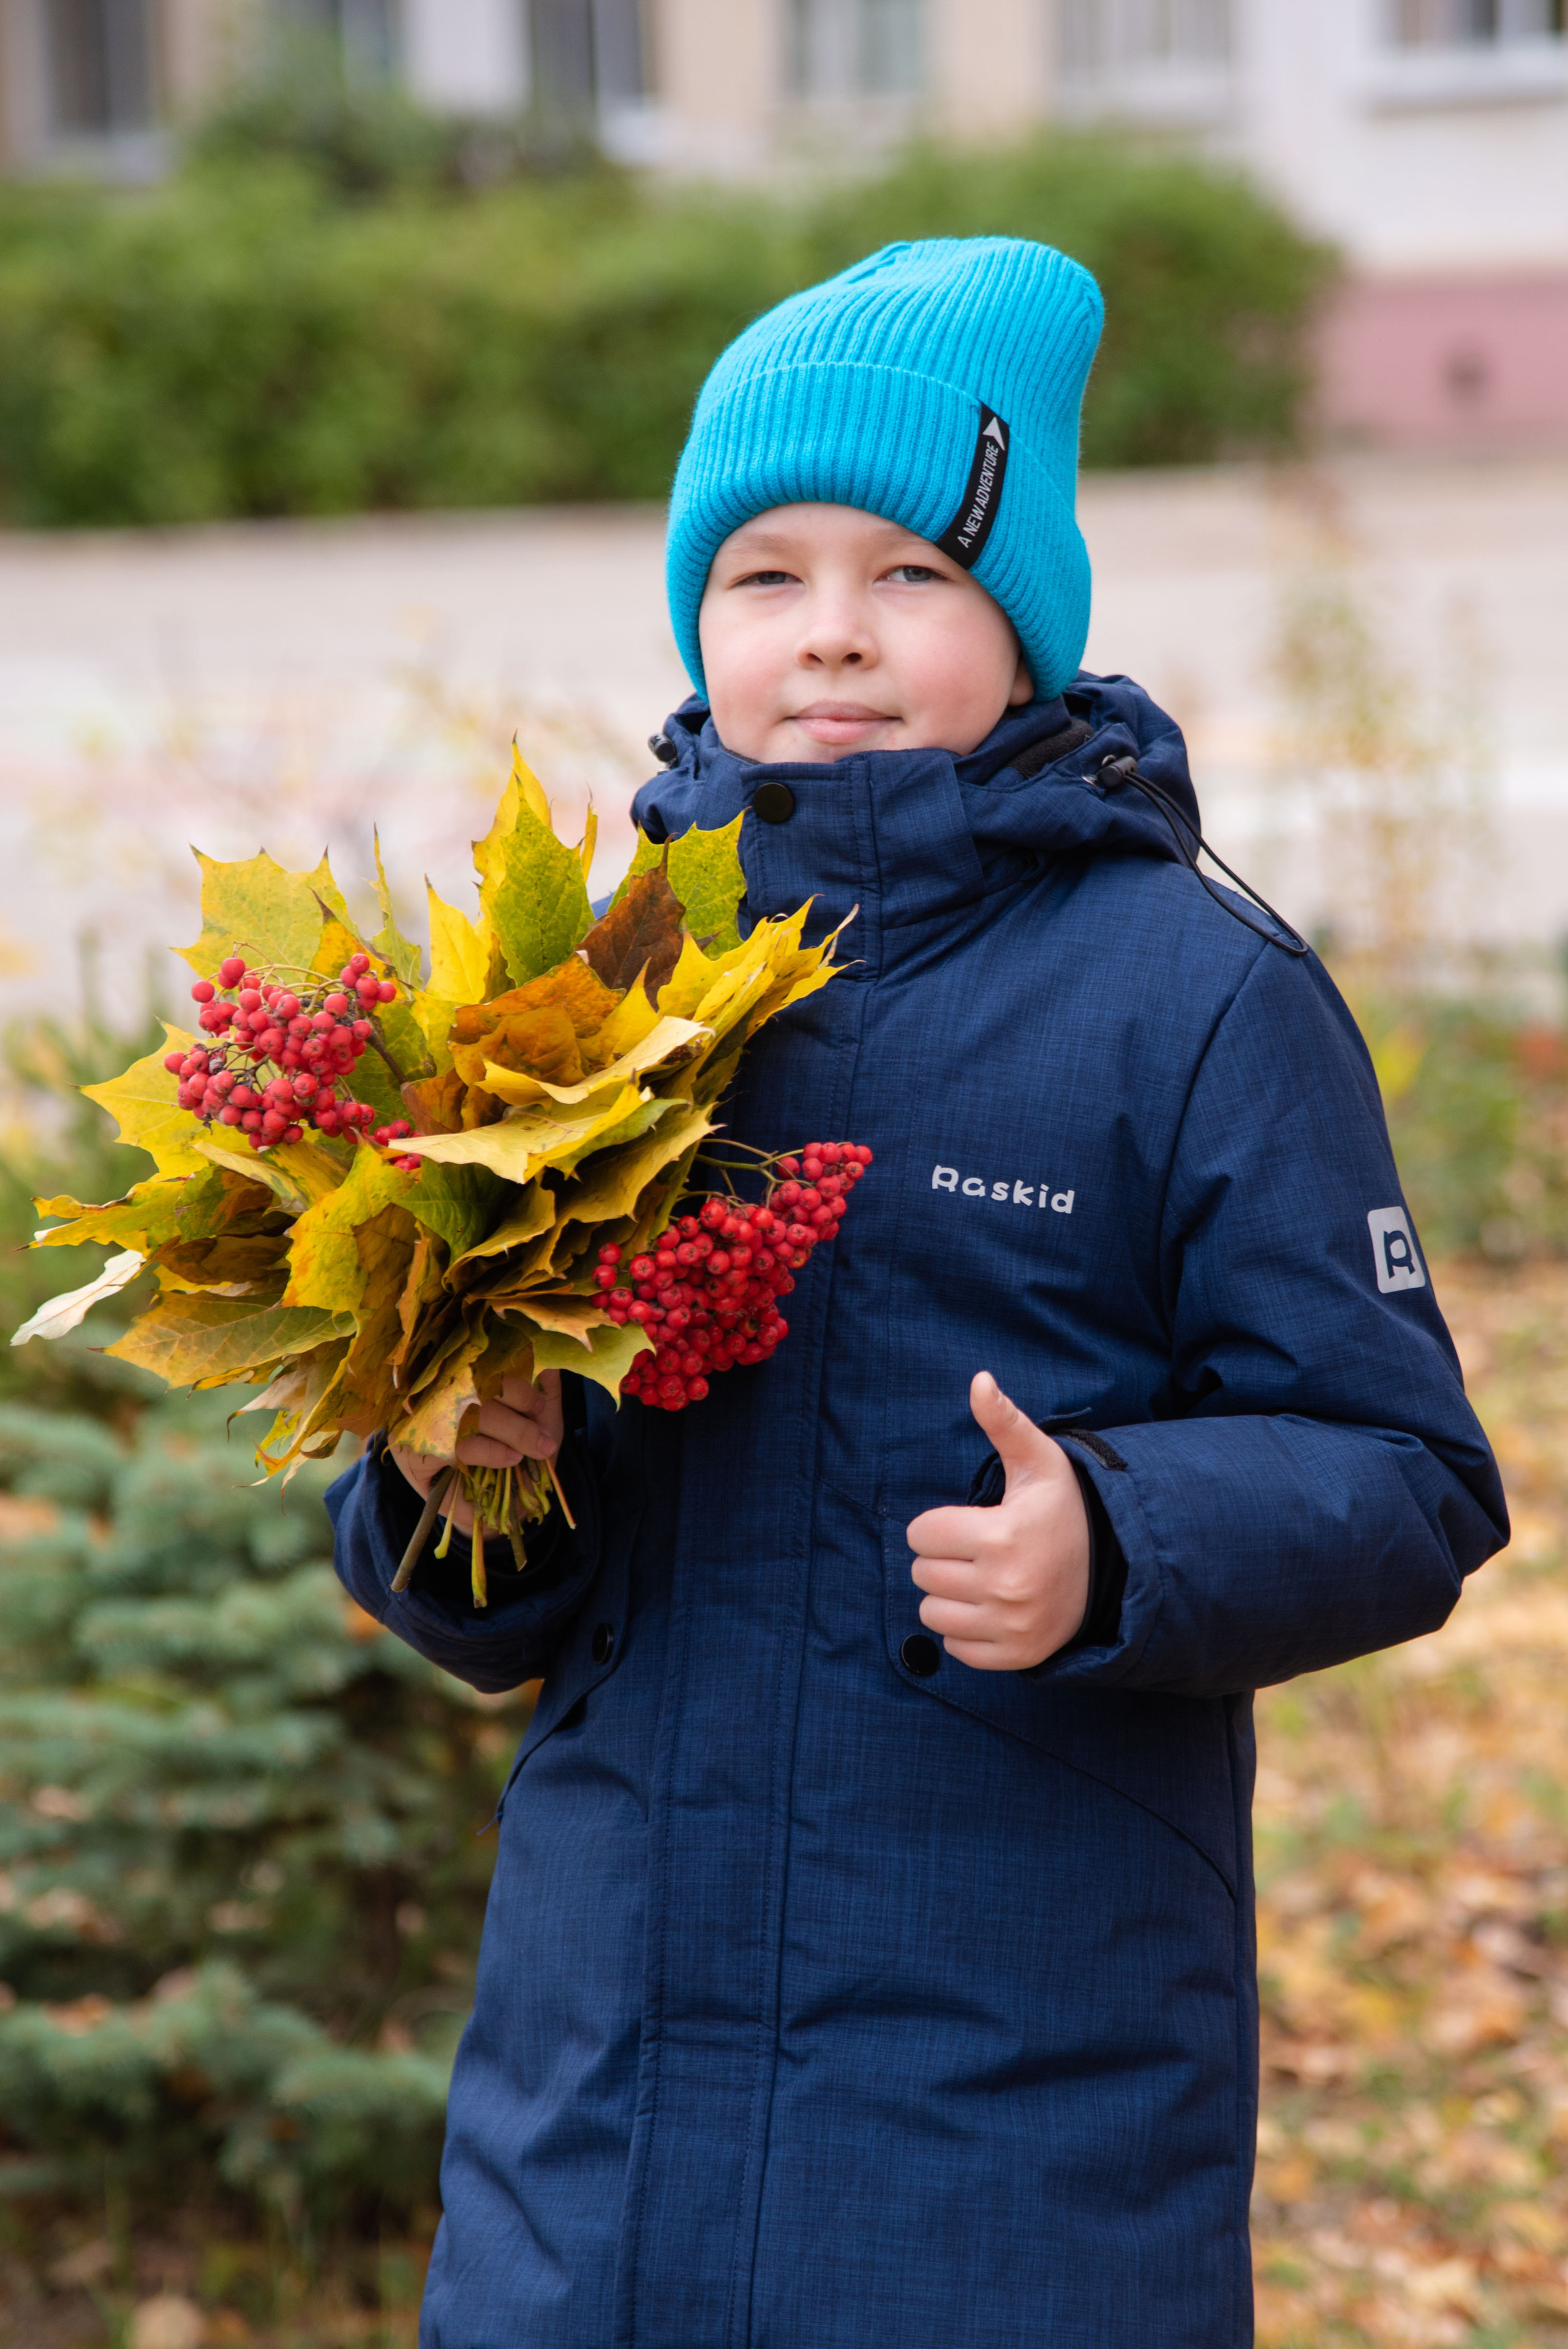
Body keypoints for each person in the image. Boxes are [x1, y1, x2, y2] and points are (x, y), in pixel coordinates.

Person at [328, 238, 1507, 2349]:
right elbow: (482, 1585)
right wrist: (458, 1464)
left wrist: (1120, 1541)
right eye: (765, 572)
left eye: (911, 574)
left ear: (1024, 612)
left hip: (1009, 2127)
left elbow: (1411, 1472)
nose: (833, 635)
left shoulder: (1194, 996)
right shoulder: (596, 989)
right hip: (592, 2125)